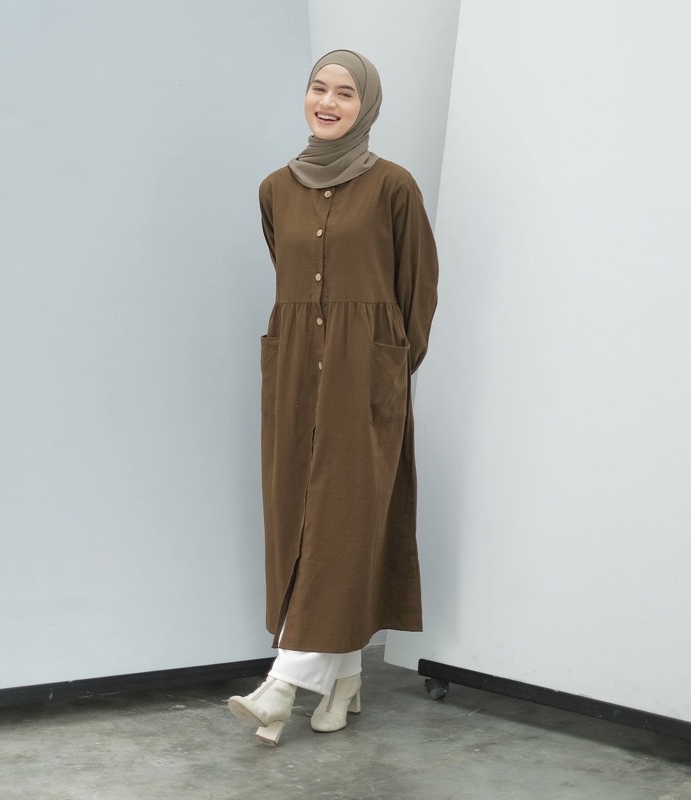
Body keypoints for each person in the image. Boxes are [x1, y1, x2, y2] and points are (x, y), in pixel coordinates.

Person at [228, 49, 438, 746]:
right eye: (318, 88)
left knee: (343, 520)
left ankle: (281, 684)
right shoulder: (273, 190)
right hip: (294, 373)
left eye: (345, 93)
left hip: (362, 375)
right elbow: (288, 276)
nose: (328, 102)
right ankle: (344, 678)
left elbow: (418, 289)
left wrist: (387, 368)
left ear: (366, 105)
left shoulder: (394, 187)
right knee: (301, 517)